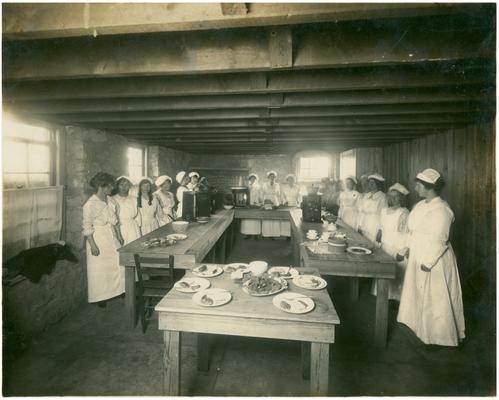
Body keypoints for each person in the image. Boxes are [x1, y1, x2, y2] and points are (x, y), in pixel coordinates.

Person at [397, 169, 465, 347]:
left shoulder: (442, 210)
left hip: (434, 259)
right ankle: (420, 327)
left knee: (436, 298)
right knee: (419, 293)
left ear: (428, 187)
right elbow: (412, 231)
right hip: (419, 253)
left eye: (418, 185)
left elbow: (440, 239)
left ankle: (439, 337)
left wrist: (428, 262)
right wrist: (406, 247)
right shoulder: (420, 206)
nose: (415, 187)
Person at [83, 172, 124, 306]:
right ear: (102, 186)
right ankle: (101, 296)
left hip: (111, 235)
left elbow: (115, 221)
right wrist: (93, 245)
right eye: (110, 186)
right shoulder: (90, 204)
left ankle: (119, 290)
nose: (112, 188)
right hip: (98, 237)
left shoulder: (111, 200)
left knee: (117, 263)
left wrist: (119, 235)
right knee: (100, 269)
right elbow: (87, 226)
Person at [372, 183, 410, 301]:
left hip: (396, 247)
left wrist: (402, 251)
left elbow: (406, 235)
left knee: (397, 273)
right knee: (383, 272)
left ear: (401, 199)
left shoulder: (403, 213)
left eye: (395, 197)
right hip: (385, 246)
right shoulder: (384, 211)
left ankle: (396, 298)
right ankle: (383, 296)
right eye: (390, 196)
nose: (392, 199)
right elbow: (382, 226)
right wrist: (379, 233)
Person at [111, 176, 142, 246]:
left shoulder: (134, 199)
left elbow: (138, 215)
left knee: (134, 246)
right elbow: (112, 216)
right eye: (121, 185)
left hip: (133, 227)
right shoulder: (112, 199)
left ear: (129, 186)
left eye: (126, 185)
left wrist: (139, 229)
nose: (124, 187)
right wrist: (117, 234)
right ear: (117, 186)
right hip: (120, 227)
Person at [357, 173, 388, 243]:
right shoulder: (367, 196)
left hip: (374, 225)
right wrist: (360, 225)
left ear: (378, 184)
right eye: (370, 183)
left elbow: (384, 216)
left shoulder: (383, 197)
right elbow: (362, 212)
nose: (370, 185)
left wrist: (380, 230)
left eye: (373, 183)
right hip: (364, 224)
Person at [240, 173, 262, 239]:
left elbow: (260, 194)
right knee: (247, 218)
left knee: (255, 218)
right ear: (249, 179)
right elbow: (244, 194)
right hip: (248, 203)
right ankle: (248, 234)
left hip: (255, 203)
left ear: (255, 179)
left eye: (254, 179)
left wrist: (258, 201)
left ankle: (256, 234)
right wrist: (244, 200)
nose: (252, 180)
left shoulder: (258, 186)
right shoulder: (247, 186)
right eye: (251, 179)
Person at [261, 171, 281, 238]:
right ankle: (266, 233)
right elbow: (262, 193)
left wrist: (279, 202)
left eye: (273, 177)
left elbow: (278, 194)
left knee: (274, 217)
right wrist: (263, 202)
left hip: (275, 201)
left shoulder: (277, 185)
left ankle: (273, 234)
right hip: (267, 200)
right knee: (267, 217)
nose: (272, 178)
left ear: (275, 177)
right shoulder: (264, 184)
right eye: (270, 176)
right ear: (268, 177)